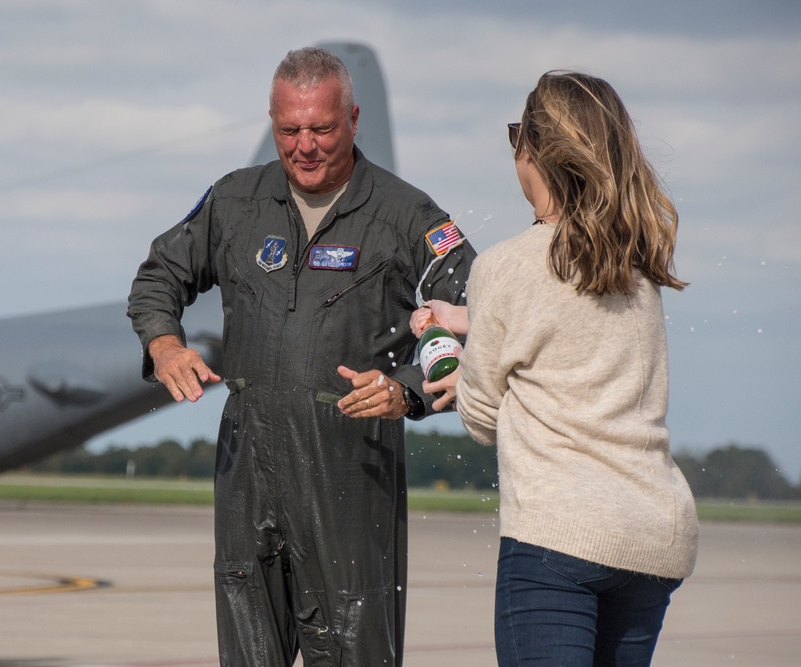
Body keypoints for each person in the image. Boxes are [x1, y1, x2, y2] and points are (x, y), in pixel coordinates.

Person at [128, 47, 475, 666]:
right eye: (289, 130)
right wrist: (164, 343)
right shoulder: (235, 201)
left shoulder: (407, 214)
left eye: (322, 128)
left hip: (349, 470)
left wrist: (408, 388)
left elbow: (476, 315)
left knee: (354, 648)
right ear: (272, 120)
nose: (305, 145)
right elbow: (158, 277)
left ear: (354, 118)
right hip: (249, 464)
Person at [414, 71, 698, 666]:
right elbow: (574, 325)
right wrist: (474, 318)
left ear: (534, 151)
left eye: (518, 135)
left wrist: (458, 365)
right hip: (652, 537)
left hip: (561, 541)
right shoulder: (636, 262)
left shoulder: (505, 266)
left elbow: (482, 418)